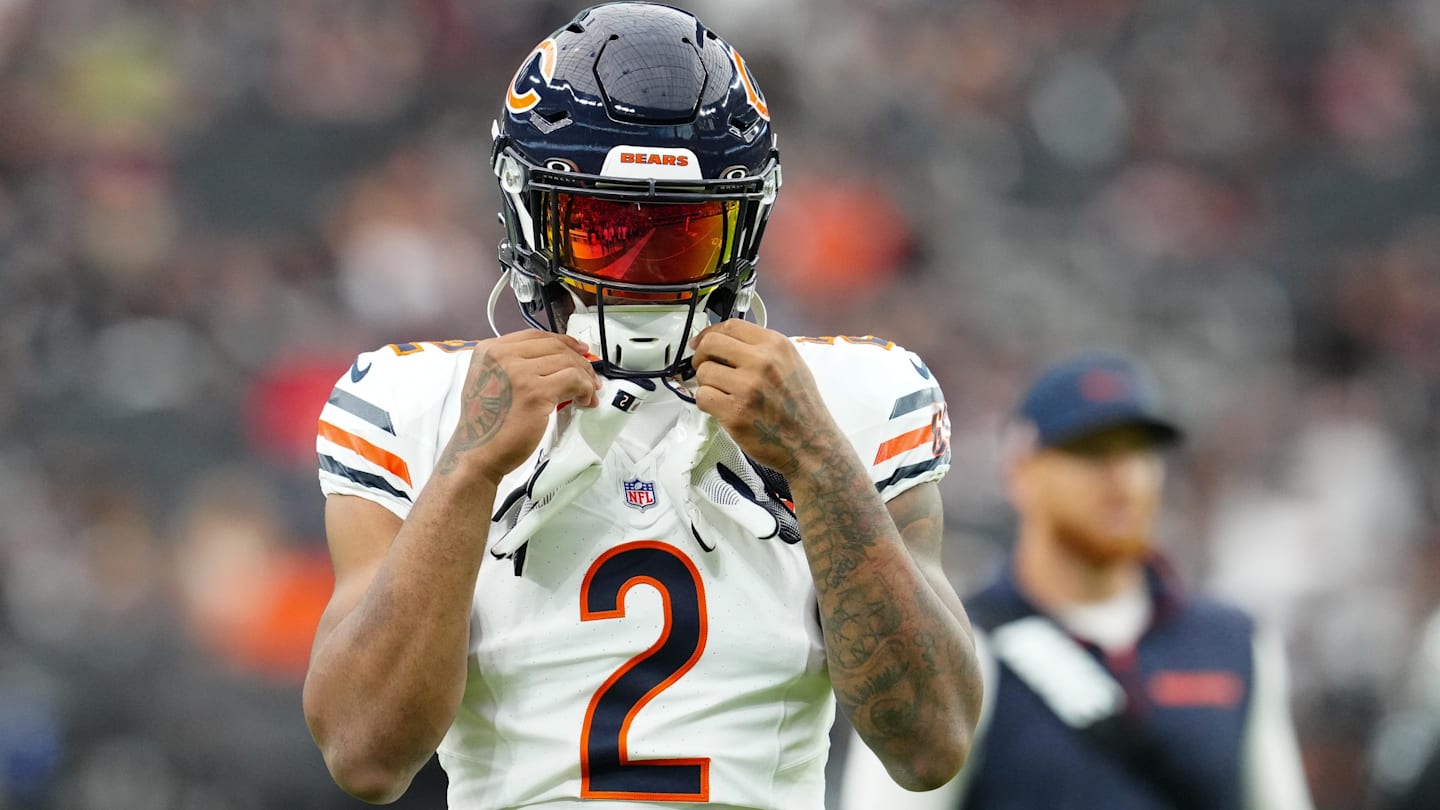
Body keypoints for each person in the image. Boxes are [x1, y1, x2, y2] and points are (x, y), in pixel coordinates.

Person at [301, 3, 983, 808]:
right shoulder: (414, 405)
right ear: (529, 214)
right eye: (602, 228)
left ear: (746, 223)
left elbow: (931, 744)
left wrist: (820, 461)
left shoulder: (853, 401)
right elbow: (365, 755)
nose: (641, 271)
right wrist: (467, 470)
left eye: (683, 232)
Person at [840, 352, 1313, 810]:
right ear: (1020, 470)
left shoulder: (1231, 641)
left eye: (1140, 451)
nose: (1125, 477)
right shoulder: (959, 650)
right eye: (1091, 452)